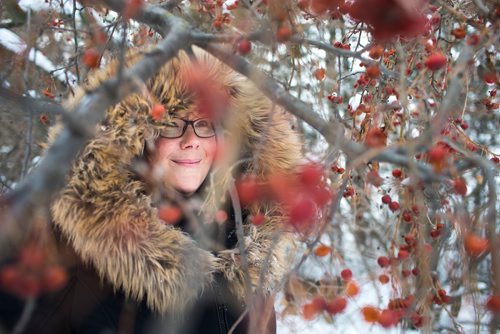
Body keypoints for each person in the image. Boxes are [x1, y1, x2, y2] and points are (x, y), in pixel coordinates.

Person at [0, 46, 302, 333]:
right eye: (172, 124)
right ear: (138, 137)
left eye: (206, 125)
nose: (191, 140)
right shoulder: (69, 247)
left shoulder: (247, 239)